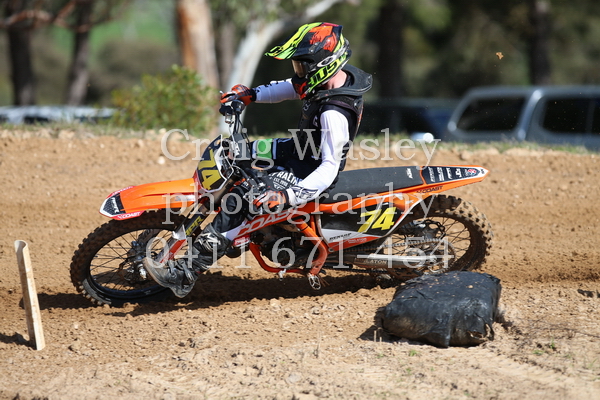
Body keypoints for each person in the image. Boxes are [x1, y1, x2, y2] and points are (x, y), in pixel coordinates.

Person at [147, 22, 372, 297]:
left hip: (309, 171)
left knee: (240, 200)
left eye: (302, 66)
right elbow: (293, 87)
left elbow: (329, 168)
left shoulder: (334, 114)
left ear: (324, 64)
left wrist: (286, 196)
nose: (298, 73)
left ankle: (185, 273)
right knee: (235, 154)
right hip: (298, 150)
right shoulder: (329, 80)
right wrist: (250, 95)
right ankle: (241, 231)